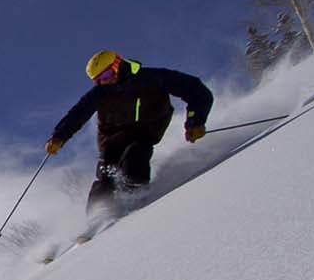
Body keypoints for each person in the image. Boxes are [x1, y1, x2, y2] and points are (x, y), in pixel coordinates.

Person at [46, 50, 213, 215]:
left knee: (136, 153)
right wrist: (59, 137)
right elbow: (77, 114)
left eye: (108, 74)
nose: (107, 81)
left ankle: (135, 196)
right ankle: (97, 216)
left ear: (118, 63)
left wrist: (195, 122)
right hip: (112, 136)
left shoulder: (151, 78)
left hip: (147, 128)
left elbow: (196, 90)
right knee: (106, 171)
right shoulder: (101, 92)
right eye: (100, 80)